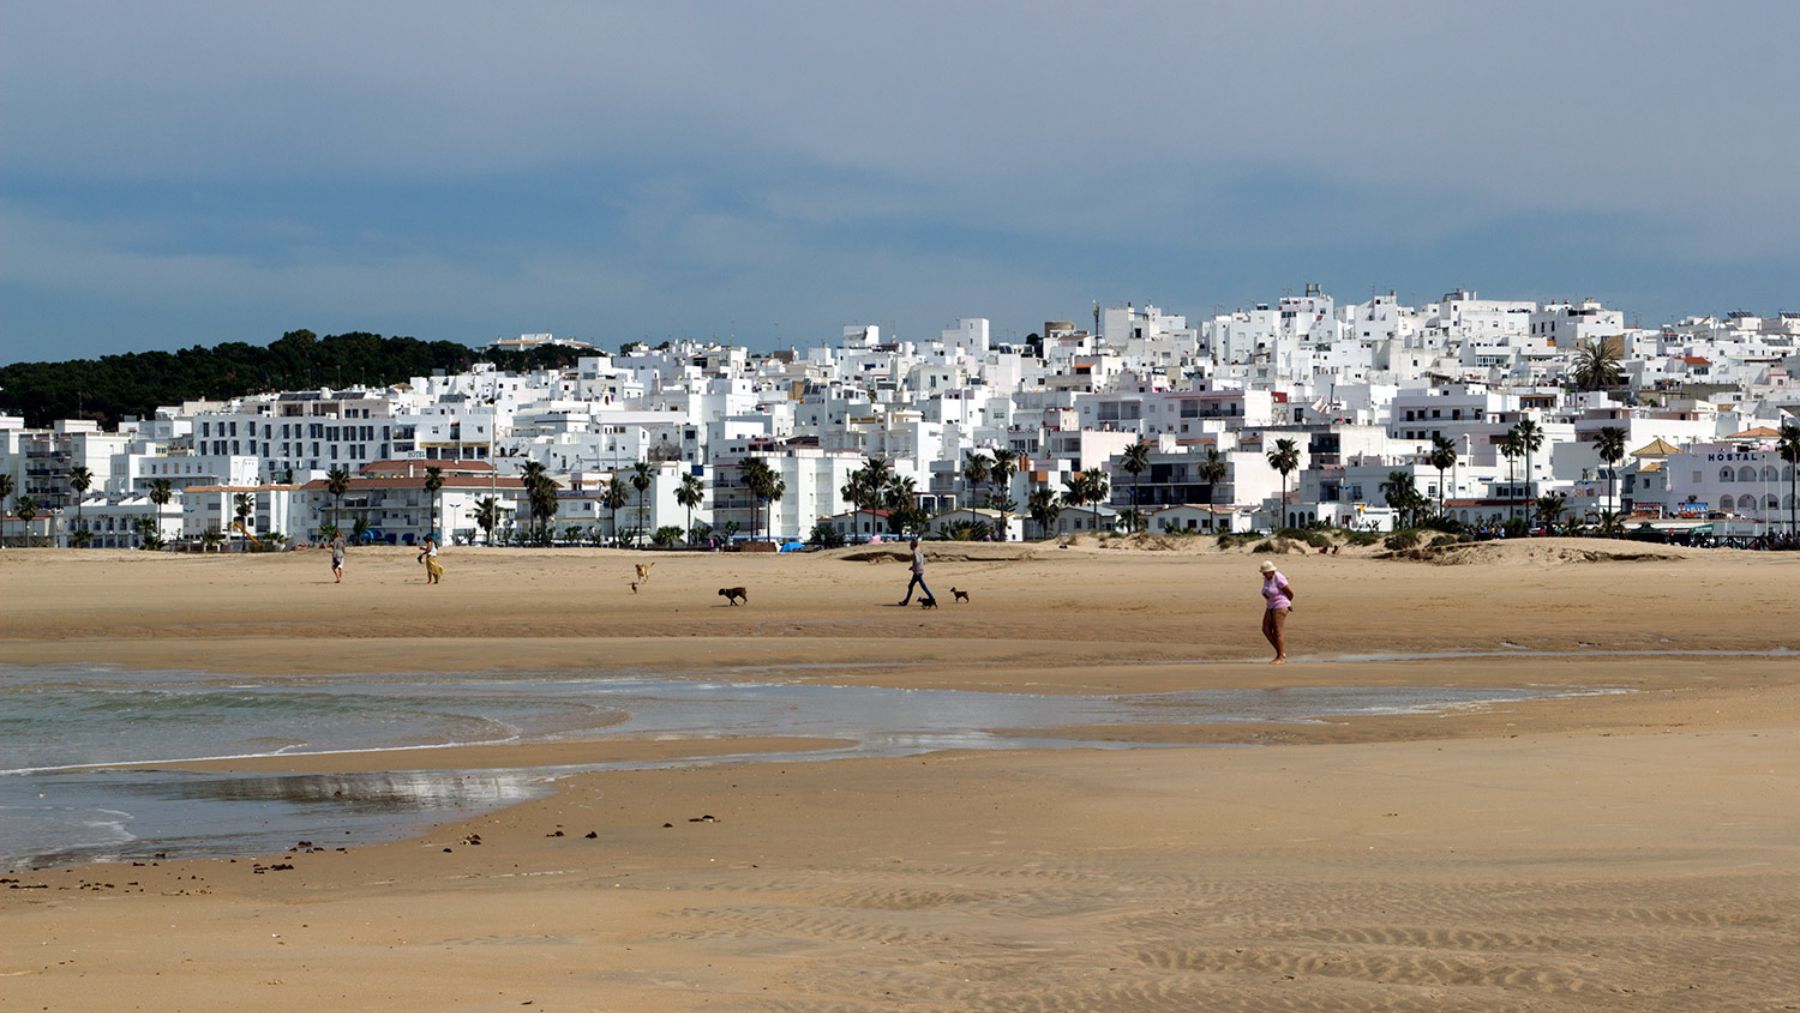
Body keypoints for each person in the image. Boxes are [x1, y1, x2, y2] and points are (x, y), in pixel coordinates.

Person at [1258, 559, 1294, 664]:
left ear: (1272, 571)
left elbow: (1290, 593)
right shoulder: (1267, 578)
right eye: (1263, 572)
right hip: (1271, 605)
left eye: (1265, 572)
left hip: (1280, 604)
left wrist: (1288, 604)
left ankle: (1280, 656)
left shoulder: (1279, 577)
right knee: (1266, 629)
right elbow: (1266, 592)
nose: (1264, 574)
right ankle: (1281, 652)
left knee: (1277, 631)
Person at [897, 535, 934, 605]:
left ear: (913, 545)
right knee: (915, 586)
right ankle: (931, 598)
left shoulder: (915, 552)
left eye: (910, 544)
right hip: (919, 570)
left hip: (917, 572)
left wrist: (914, 568)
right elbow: (922, 560)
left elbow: (917, 561)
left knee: (918, 586)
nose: (909, 546)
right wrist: (914, 567)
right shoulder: (919, 550)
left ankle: (906, 602)